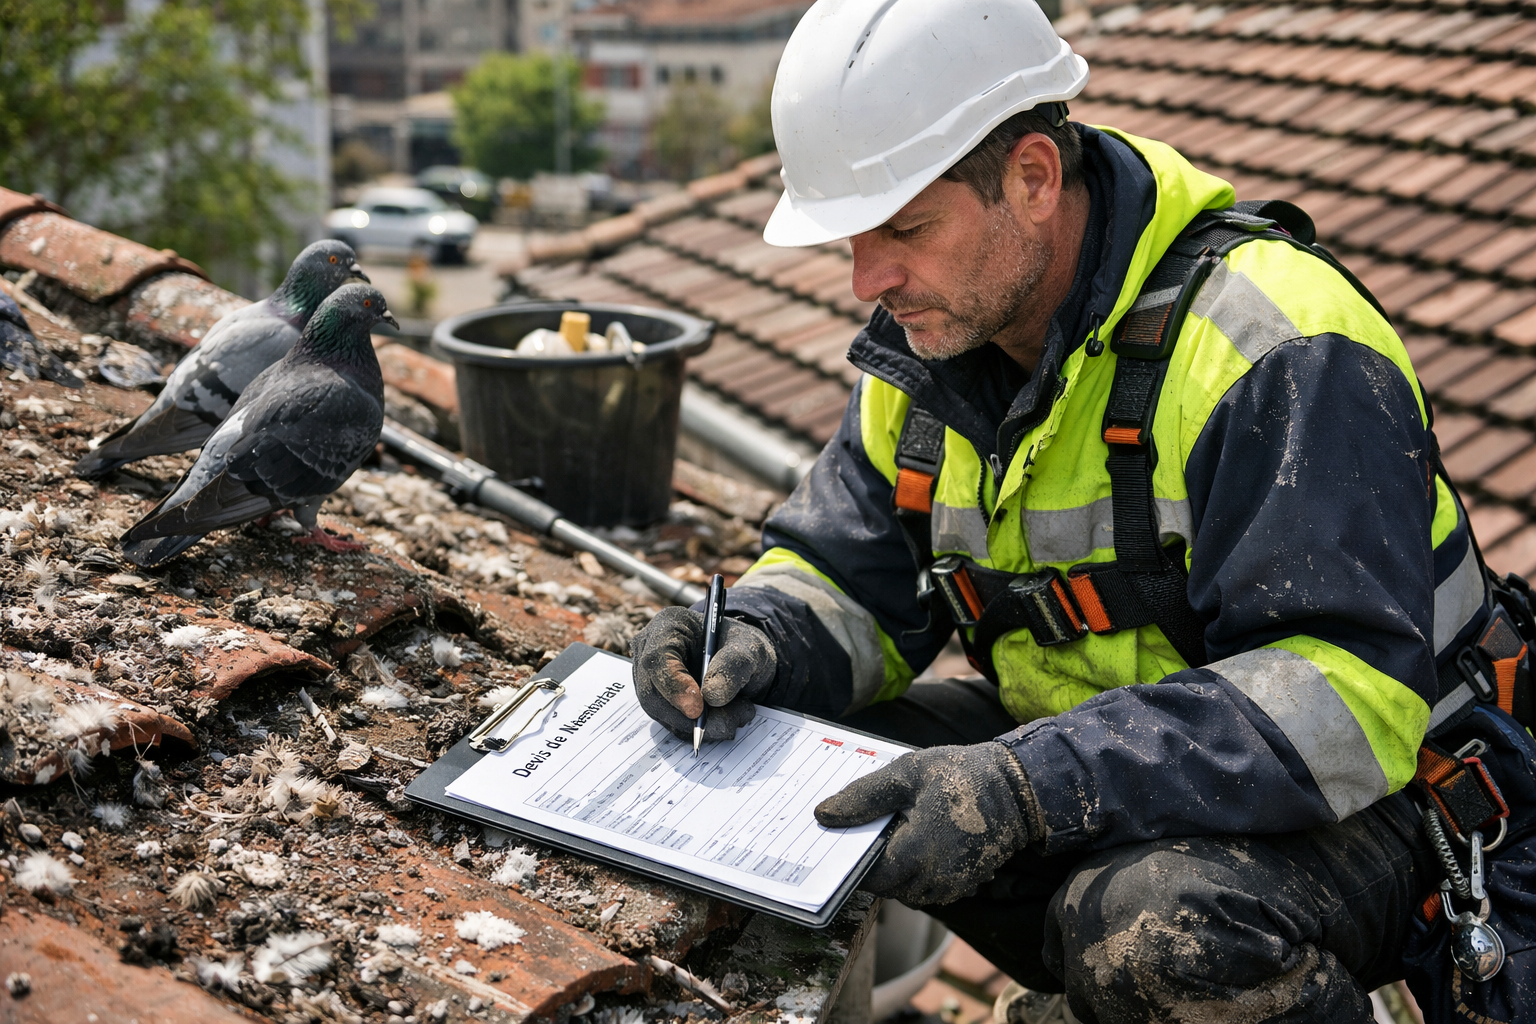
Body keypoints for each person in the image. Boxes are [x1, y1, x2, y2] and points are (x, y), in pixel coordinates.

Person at [630, 0, 1493, 1020]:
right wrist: (751, 643)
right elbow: (847, 577)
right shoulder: (931, 354)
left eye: (905, 228)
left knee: (1149, 927)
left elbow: (1345, 701)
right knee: (792, 749)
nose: (871, 279)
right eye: (853, 238)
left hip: (1387, 803)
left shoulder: (1274, 347)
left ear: (1034, 178)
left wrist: (1031, 786)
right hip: (1109, 770)